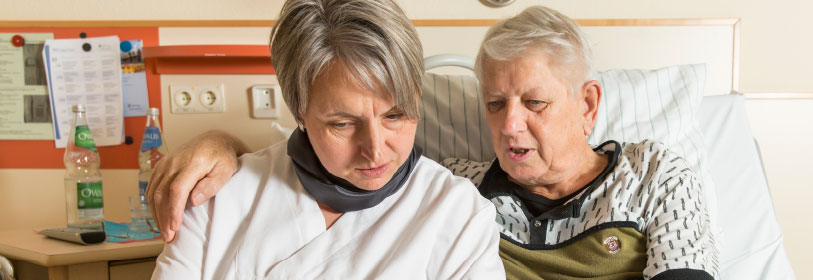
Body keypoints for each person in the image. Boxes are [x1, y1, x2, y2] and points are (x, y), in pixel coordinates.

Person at [149, 5, 718, 280]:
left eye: (535, 103)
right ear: (301, 112)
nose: (511, 125)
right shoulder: (470, 187)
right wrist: (217, 143)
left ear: (589, 105)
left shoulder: (656, 176)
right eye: (494, 105)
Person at [149, 0, 504, 278]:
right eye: (343, 124)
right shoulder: (218, 198)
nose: (376, 150)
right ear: (299, 111)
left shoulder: (458, 214)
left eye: (395, 115)